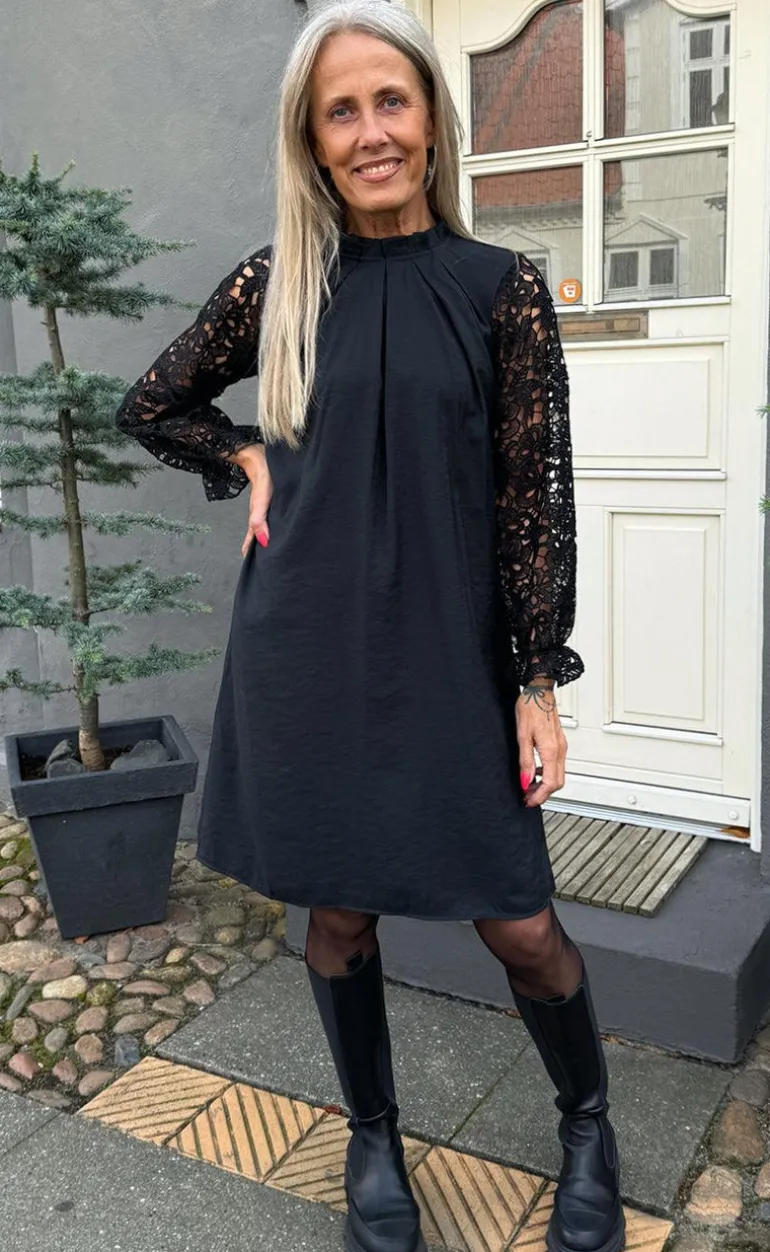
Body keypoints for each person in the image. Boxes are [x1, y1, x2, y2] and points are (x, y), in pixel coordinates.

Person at [114, 4, 624, 1252]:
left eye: (389, 100)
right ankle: (373, 1136)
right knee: (337, 912)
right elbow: (154, 401)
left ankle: (587, 1126)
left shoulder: (499, 289)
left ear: (432, 119)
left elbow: (532, 500)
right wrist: (246, 455)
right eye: (339, 112)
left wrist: (535, 682)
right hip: (310, 648)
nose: (369, 131)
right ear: (312, 140)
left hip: (451, 655)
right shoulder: (280, 284)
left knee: (518, 921)